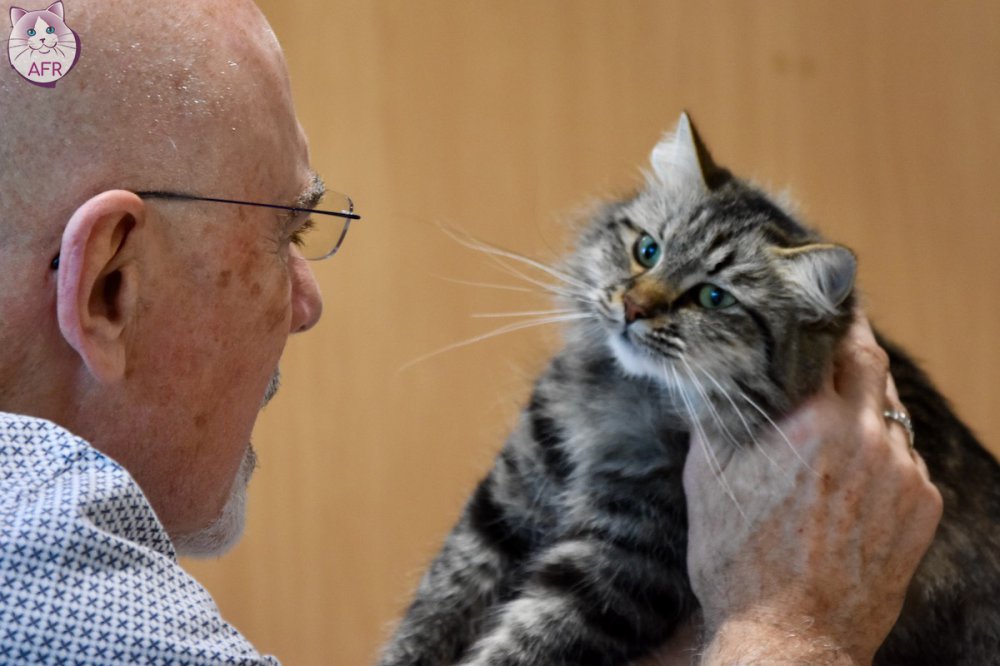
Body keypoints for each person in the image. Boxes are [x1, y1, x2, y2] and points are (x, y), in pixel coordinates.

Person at [0, 0, 942, 663]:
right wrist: (795, 627)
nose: (309, 301)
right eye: (287, 232)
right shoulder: (62, 581)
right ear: (110, 288)